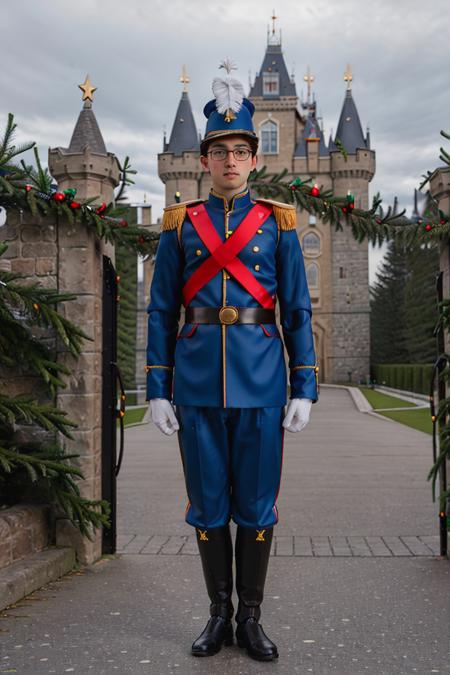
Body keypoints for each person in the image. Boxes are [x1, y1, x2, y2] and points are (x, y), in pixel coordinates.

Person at [146, 60, 319, 662]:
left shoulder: (279, 225)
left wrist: (304, 387)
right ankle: (217, 614)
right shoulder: (180, 225)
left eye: (240, 151)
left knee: (256, 506)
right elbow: (162, 309)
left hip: (262, 383)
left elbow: (295, 309)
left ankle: (251, 618)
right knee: (207, 504)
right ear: (204, 160)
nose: (229, 161)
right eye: (219, 150)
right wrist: (158, 387)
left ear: (253, 159)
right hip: (195, 385)